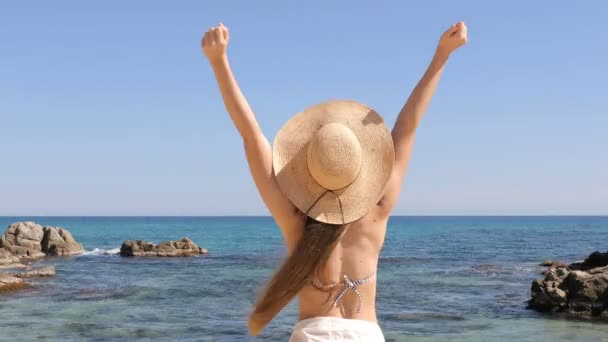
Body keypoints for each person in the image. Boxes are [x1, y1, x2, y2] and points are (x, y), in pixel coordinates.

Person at [202, 21, 467, 341]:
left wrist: (219, 63)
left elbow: (250, 134)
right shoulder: (377, 209)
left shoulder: (295, 218)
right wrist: (441, 56)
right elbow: (408, 125)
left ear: (308, 170)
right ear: (362, 169)